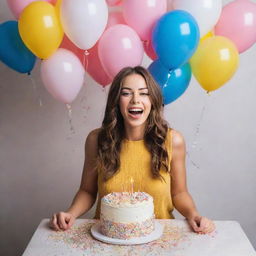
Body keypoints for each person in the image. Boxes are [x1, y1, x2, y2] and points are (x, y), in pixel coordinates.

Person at [49, 66, 215, 234]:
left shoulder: (173, 141)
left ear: (153, 100)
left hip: (159, 239)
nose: (135, 100)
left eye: (144, 93)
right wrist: (71, 213)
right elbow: (87, 191)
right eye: (126, 93)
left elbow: (179, 193)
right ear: (116, 100)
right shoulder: (96, 140)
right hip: (108, 238)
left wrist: (194, 215)